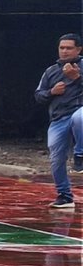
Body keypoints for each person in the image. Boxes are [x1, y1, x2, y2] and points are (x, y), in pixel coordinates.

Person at [35, 33, 82, 209]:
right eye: (62, 48)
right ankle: (65, 196)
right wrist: (52, 92)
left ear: (78, 49)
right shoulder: (51, 71)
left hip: (80, 111)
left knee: (79, 117)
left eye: (69, 48)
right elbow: (38, 95)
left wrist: (77, 78)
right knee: (56, 157)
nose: (64, 51)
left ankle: (80, 154)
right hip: (59, 118)